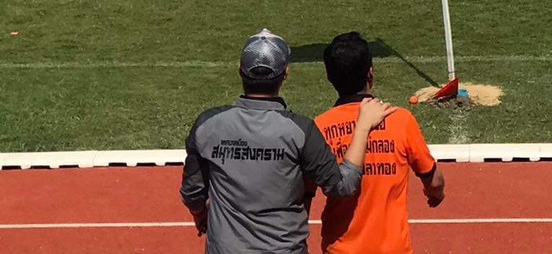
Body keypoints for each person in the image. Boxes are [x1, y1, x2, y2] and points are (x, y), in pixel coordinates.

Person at [181, 29, 393, 254]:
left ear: (240, 70)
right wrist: (363, 126)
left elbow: (193, 192)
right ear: (285, 74)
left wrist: (200, 214)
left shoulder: (207, 125)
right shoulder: (301, 131)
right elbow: (343, 186)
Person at [314, 32, 445, 254]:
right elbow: (434, 181)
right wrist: (436, 194)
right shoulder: (401, 120)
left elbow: (303, 192)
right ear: (370, 74)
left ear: (329, 77)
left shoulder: (319, 128)